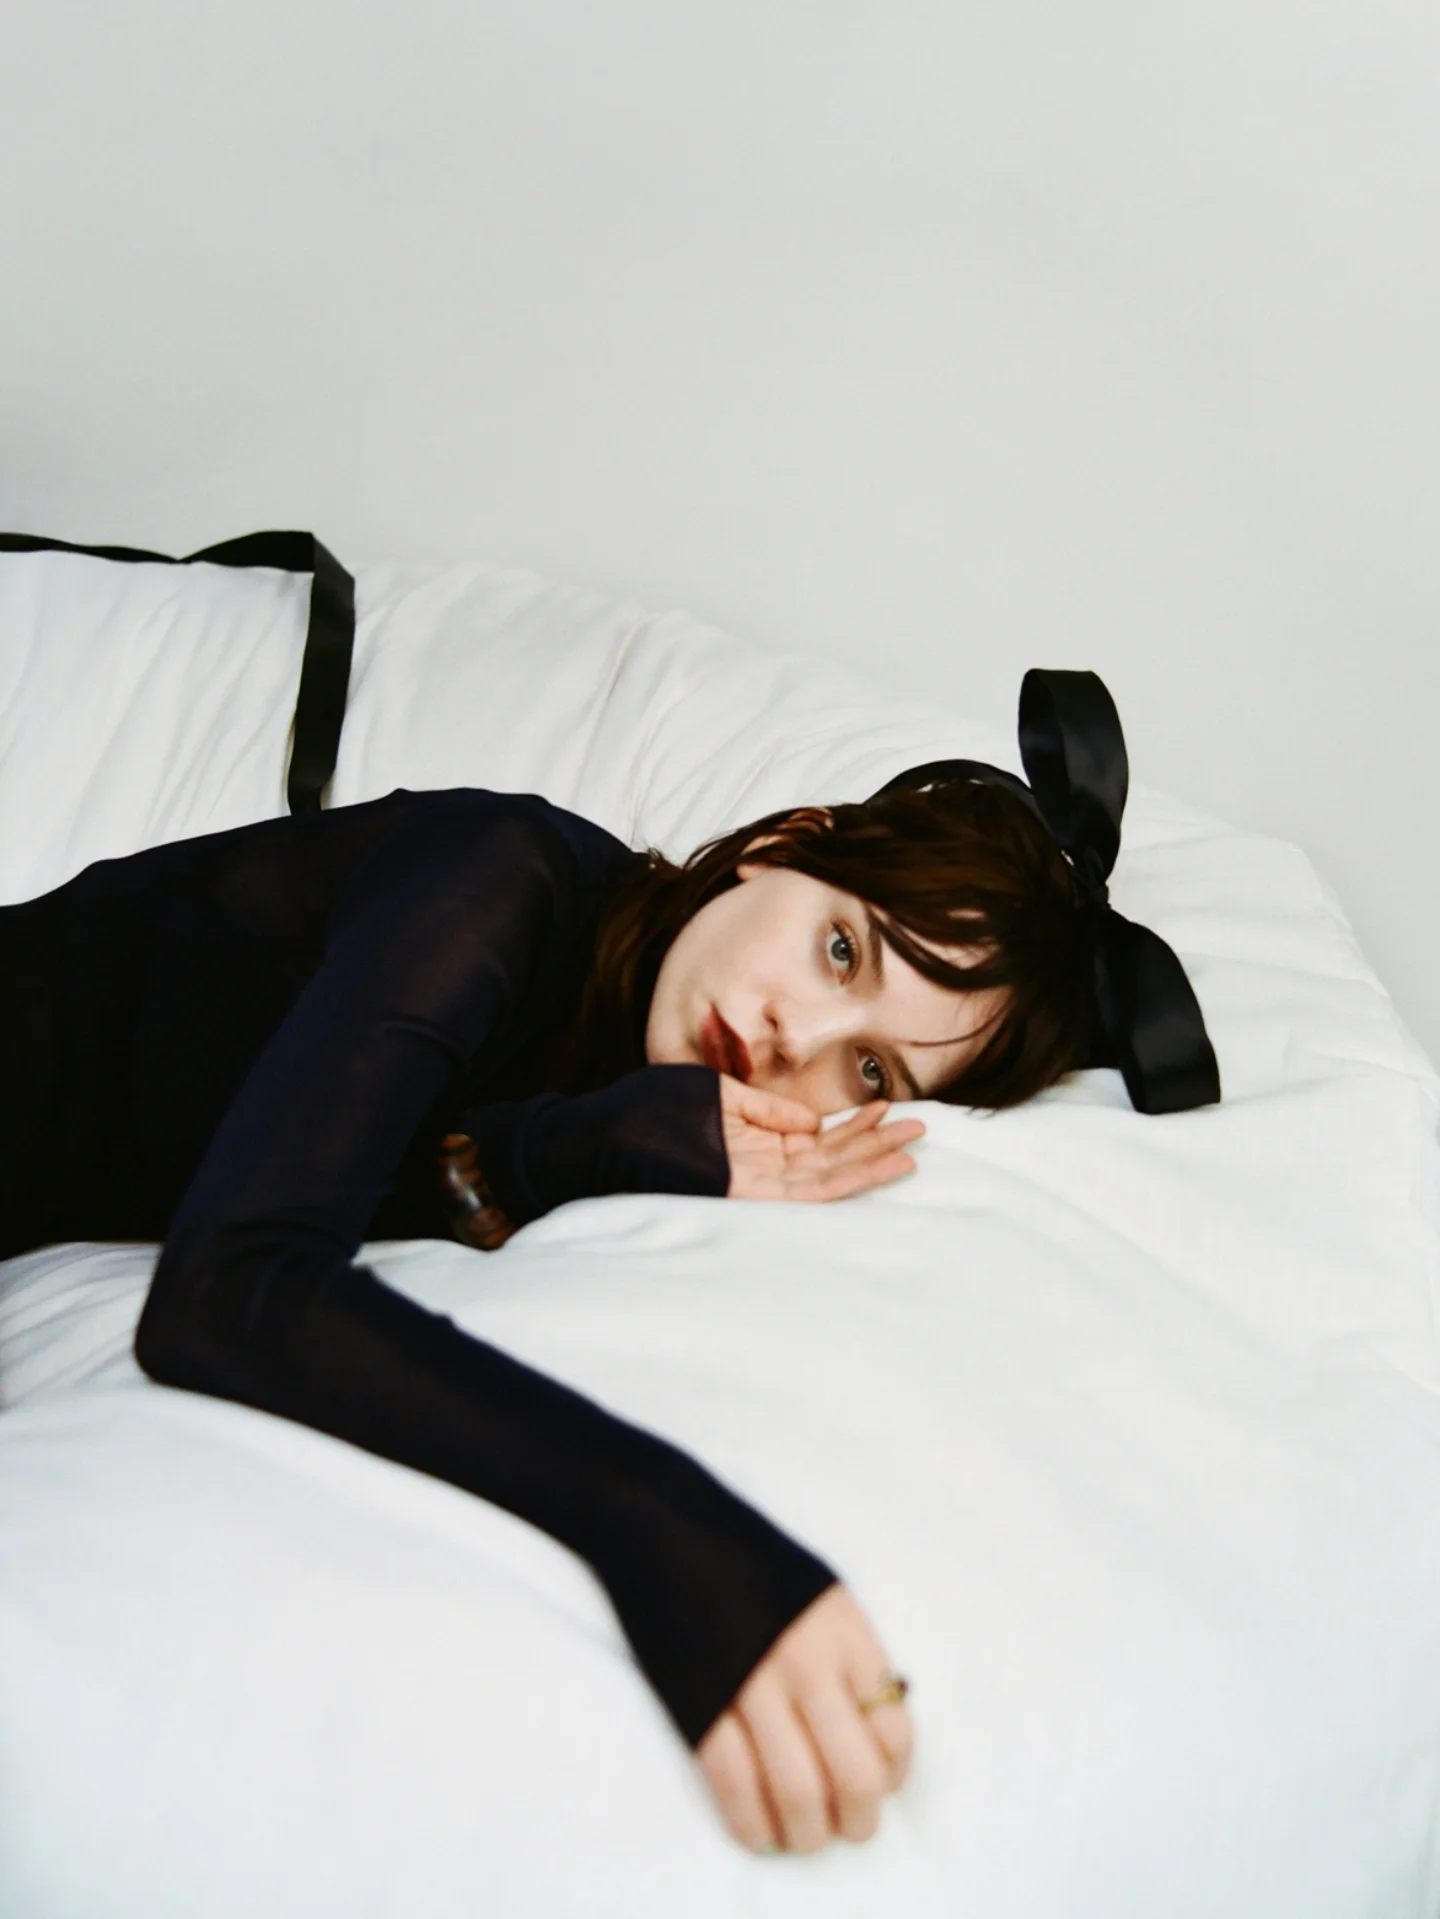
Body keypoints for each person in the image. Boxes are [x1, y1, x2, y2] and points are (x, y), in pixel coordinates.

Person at [0, 680, 1213, 1858]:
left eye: (870, 1073)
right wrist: (674, 1535)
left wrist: (564, 1147)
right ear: (781, 847)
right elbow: (231, 1287)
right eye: (842, 950)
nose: (794, 1037)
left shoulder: (625, 1084)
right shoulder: (498, 874)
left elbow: (385, 1154)